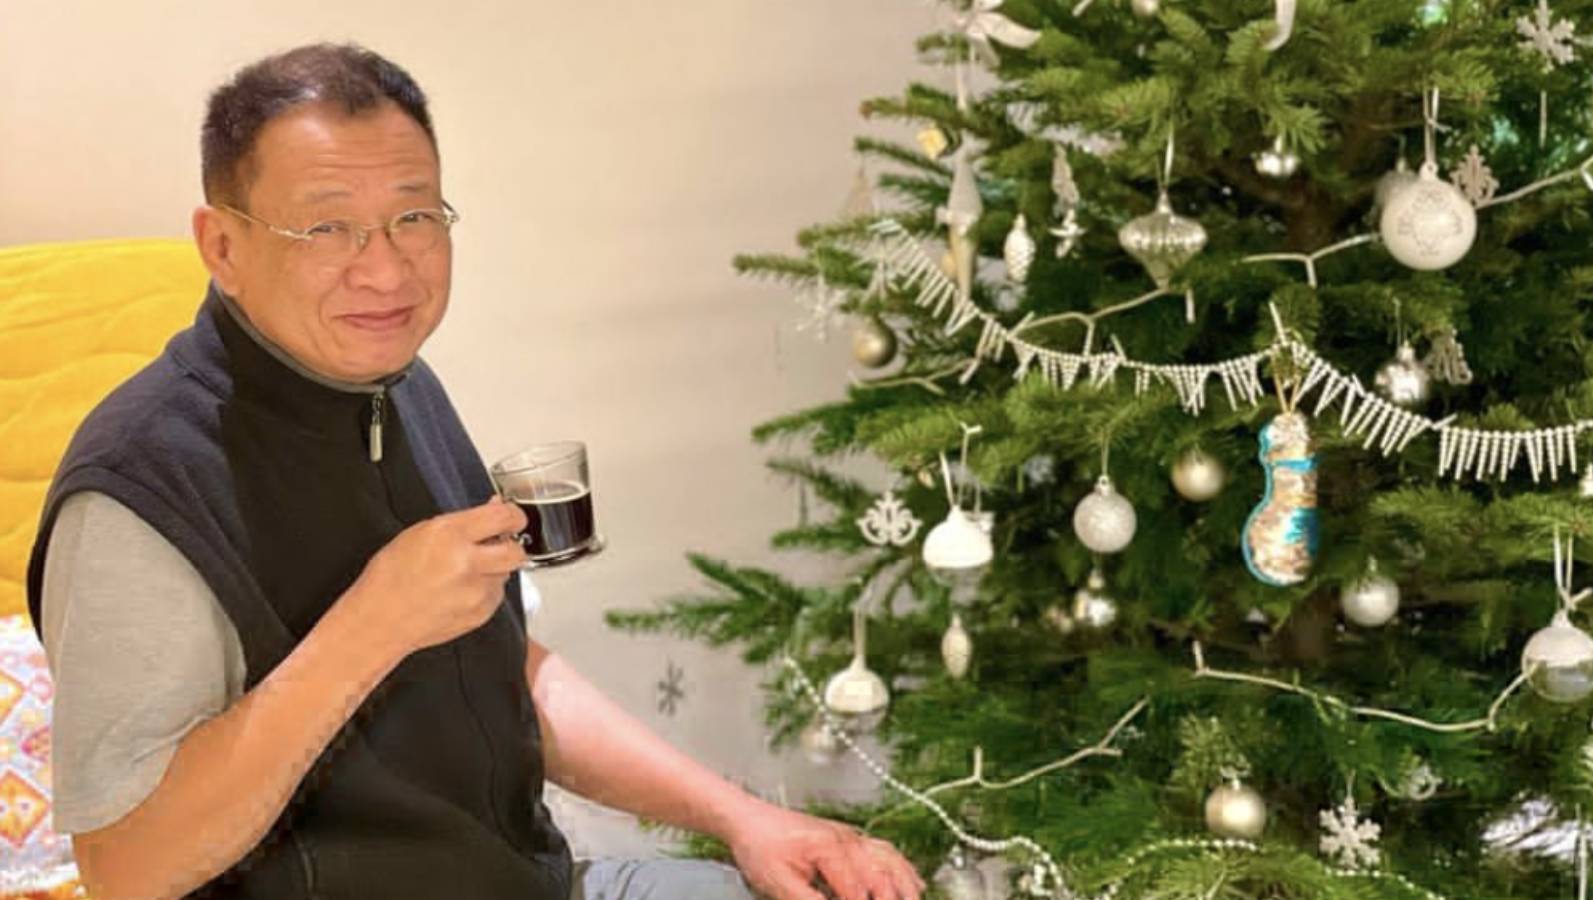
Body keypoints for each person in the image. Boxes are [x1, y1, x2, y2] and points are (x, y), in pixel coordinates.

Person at [24, 43, 926, 900]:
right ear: (223, 247)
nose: (386, 270)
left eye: (414, 217)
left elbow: (501, 665)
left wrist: (745, 819)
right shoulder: (140, 490)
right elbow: (127, 868)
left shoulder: (393, 386)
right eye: (327, 227)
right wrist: (372, 625)